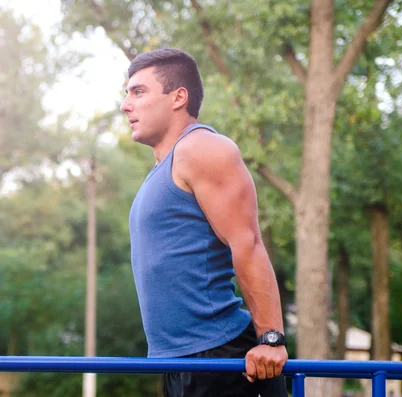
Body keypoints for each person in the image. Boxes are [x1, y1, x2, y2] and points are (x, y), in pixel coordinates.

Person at [120, 48, 288, 397]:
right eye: (127, 94)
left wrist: (271, 339)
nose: (126, 105)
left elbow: (249, 243)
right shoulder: (163, 169)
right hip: (178, 362)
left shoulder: (202, 149)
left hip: (221, 358)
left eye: (138, 92)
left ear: (178, 97)